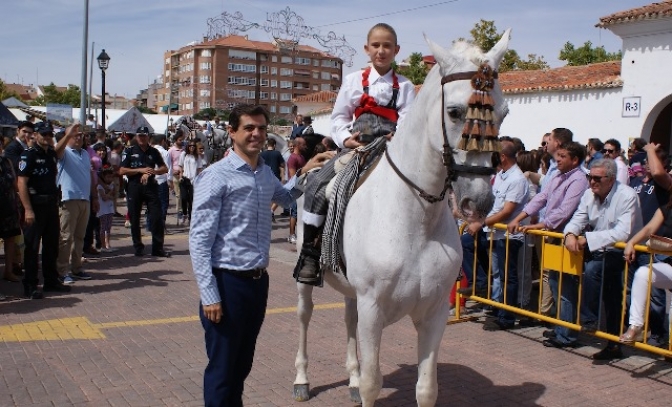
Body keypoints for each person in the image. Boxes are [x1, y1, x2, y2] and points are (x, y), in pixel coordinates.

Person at [188, 104, 333, 406]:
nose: (256, 134)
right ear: (232, 132)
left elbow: (283, 196)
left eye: (261, 128)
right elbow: (199, 240)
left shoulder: (263, 172)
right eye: (249, 128)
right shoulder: (216, 176)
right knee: (223, 369)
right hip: (227, 282)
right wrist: (209, 295)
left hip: (256, 283)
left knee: (241, 366)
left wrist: (306, 171)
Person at [294, 22, 416, 285]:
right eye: (376, 45)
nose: (381, 51)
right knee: (316, 185)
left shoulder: (405, 86)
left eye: (387, 46)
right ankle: (311, 253)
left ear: (396, 50)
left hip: (390, 151)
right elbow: (338, 118)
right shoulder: (352, 81)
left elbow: (408, 121)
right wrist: (346, 139)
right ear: (366, 49)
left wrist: (400, 137)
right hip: (357, 150)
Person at [507, 142, 589, 348]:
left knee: (566, 288)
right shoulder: (558, 176)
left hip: (566, 238)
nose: (557, 159)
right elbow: (542, 197)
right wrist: (521, 217)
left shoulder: (579, 179)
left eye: (562, 156)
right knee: (554, 283)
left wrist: (543, 223)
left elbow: (566, 209)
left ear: (574, 160)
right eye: (557, 156)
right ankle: (560, 326)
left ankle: (567, 334)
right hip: (553, 237)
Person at [563, 158, 642, 360]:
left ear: (611, 179)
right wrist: (570, 234)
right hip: (601, 248)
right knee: (611, 298)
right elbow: (578, 218)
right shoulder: (589, 194)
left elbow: (622, 233)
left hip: (626, 252)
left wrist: (586, 240)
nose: (591, 182)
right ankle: (612, 344)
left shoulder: (627, 196)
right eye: (590, 177)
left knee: (595, 274)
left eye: (597, 178)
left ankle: (589, 319)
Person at [458, 140, 529, 329]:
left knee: (507, 276)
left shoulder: (517, 179)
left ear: (503, 156)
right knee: (493, 269)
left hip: (508, 234)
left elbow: (506, 211)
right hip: (493, 232)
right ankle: (482, 286)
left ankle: (507, 316)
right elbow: (492, 202)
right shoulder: (501, 175)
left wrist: (480, 224)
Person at [17, 122, 74, 298]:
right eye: (43, 134)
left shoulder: (50, 153)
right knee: (32, 248)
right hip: (35, 205)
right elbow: (22, 183)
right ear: (35, 135)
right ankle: (31, 285)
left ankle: (51, 281)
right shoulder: (29, 155)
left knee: (51, 245)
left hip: (50, 205)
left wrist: (68, 135)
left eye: (49, 134)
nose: (47, 137)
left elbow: (57, 151)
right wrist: (28, 210)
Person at [621, 204, 672, 345]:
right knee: (643, 273)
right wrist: (632, 242)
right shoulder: (666, 209)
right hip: (669, 266)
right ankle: (635, 326)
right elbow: (649, 228)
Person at [119, 127, 170, 257]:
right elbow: (122, 171)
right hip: (134, 186)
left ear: (148, 137)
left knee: (157, 217)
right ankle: (138, 247)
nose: (142, 138)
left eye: (144, 136)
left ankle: (157, 248)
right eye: (140, 136)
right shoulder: (130, 151)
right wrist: (140, 170)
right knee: (134, 218)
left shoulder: (154, 151)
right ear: (136, 137)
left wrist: (154, 171)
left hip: (151, 186)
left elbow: (164, 168)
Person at [55, 128, 98, 285]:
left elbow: (90, 177)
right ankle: (62, 270)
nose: (79, 138)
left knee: (79, 237)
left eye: (81, 135)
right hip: (68, 199)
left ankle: (77, 268)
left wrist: (94, 197)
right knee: (66, 237)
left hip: (84, 199)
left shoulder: (85, 154)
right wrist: (67, 135)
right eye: (76, 135)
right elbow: (55, 151)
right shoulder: (64, 151)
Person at [0, 143, 22, 284]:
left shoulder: (6, 161)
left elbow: (15, 182)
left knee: (10, 239)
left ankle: (8, 271)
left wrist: (19, 202)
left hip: (9, 205)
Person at [287, 137, 308, 244]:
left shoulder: (301, 157)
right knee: (294, 212)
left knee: (299, 212)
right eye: (303, 144)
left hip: (302, 188)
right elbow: (292, 176)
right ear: (297, 145)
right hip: (295, 189)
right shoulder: (293, 158)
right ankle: (291, 234)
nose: (305, 146)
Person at [260, 138, 285, 221]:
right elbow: (282, 165)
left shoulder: (262, 154)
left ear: (267, 145)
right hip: (275, 176)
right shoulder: (277, 153)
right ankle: (271, 211)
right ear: (274, 145)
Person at [178, 140, 202, 226]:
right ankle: (184, 214)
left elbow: (199, 169)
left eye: (193, 146)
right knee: (184, 198)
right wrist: (180, 175)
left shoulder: (197, 156)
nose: (192, 147)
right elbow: (180, 166)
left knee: (191, 199)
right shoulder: (184, 155)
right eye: (190, 146)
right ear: (188, 147)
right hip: (184, 178)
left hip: (193, 180)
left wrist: (199, 180)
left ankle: (191, 217)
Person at [150, 134, 173, 228]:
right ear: (163, 141)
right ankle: (160, 224)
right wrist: (170, 181)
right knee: (163, 203)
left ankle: (150, 224)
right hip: (161, 180)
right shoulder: (164, 152)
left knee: (151, 203)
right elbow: (168, 168)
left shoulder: (149, 151)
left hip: (151, 180)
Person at [97, 165, 117, 252]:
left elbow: (114, 197)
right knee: (103, 227)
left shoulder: (112, 185)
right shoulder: (100, 187)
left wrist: (111, 193)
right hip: (102, 210)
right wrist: (110, 193)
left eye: (111, 177)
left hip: (110, 209)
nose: (110, 179)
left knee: (108, 227)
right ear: (103, 177)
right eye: (108, 177)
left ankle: (108, 244)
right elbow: (104, 198)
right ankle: (103, 245)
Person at [168, 131, 185, 224]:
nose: (181, 141)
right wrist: (172, 172)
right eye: (180, 140)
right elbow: (168, 163)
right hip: (175, 174)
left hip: (183, 174)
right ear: (176, 140)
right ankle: (179, 210)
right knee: (178, 194)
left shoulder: (184, 150)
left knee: (184, 193)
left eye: (182, 139)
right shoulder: (171, 150)